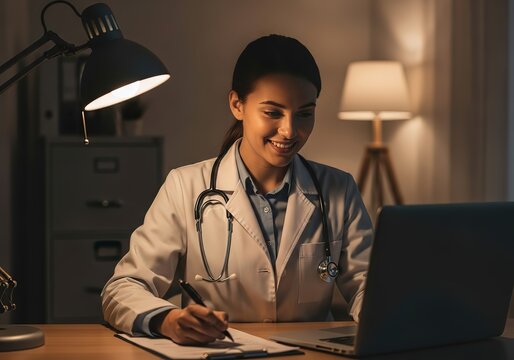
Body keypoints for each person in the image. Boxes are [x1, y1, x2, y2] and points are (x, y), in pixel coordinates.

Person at [101, 34, 373, 345]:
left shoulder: (338, 190)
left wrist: (382, 318)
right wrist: (168, 319)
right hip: (218, 353)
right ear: (237, 105)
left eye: (305, 113)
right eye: (273, 112)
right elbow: (123, 287)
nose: (289, 130)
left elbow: (370, 287)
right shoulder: (185, 186)